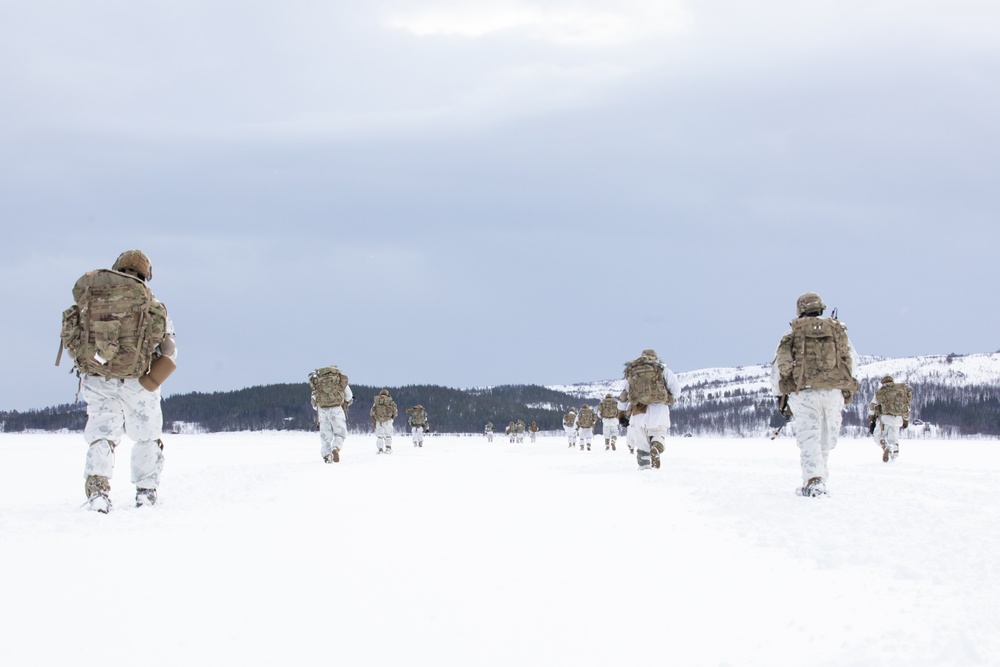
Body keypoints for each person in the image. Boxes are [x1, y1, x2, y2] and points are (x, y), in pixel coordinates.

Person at [58, 250, 177, 513]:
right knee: (146, 436)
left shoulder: (91, 299)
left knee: (101, 436)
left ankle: (98, 493)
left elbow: (71, 342)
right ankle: (145, 493)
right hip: (139, 382)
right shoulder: (151, 303)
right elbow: (168, 348)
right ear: (145, 274)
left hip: (98, 378)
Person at [772, 292, 860, 497]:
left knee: (809, 437)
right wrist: (846, 389)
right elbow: (852, 361)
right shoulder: (837, 330)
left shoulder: (792, 332)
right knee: (826, 438)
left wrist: (779, 396)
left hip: (804, 393)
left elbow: (779, 367)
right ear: (821, 307)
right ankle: (820, 479)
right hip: (833, 392)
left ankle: (814, 480)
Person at [621, 350, 681, 470]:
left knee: (642, 444)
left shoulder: (633, 372)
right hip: (659, 411)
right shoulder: (663, 371)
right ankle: (656, 447)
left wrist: (621, 414)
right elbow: (676, 391)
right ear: (656, 358)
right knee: (659, 434)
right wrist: (669, 398)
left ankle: (644, 469)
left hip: (638, 412)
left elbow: (624, 396)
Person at [309, 365, 353, 464]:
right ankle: (336, 447)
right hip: (337, 409)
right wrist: (345, 403)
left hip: (322, 410)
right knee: (340, 433)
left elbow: (314, 401)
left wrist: (320, 408)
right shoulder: (338, 379)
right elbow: (349, 396)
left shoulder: (318, 380)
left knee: (325, 436)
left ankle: (327, 456)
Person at [868, 375, 913, 462]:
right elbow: (907, 406)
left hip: (884, 418)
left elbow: (872, 406)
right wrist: (906, 420)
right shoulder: (901, 391)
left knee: (878, 437)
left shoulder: (881, 392)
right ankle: (894, 458)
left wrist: (871, 419)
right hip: (898, 419)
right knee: (894, 439)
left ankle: (886, 447)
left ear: (883, 383)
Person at [371, 389, 398, 454]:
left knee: (380, 436)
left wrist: (374, 420)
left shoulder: (376, 402)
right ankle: (388, 448)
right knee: (388, 435)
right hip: (388, 420)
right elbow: (395, 411)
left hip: (379, 421)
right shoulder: (390, 401)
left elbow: (372, 412)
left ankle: (380, 449)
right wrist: (392, 417)